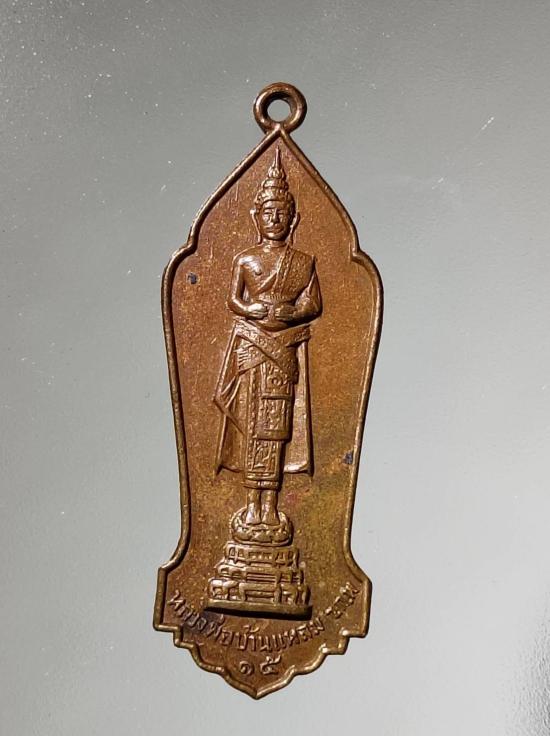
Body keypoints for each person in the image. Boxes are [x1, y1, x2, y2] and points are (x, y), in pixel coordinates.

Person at [215, 148, 322, 529]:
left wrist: (293, 312)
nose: (274, 219)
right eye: (268, 212)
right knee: (251, 427)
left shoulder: (303, 262)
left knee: (276, 429)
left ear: (294, 218)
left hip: (283, 352)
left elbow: (313, 303)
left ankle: (270, 506)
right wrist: (251, 310)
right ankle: (250, 504)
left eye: (281, 212)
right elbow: (233, 300)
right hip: (252, 348)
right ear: (255, 217)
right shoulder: (246, 259)